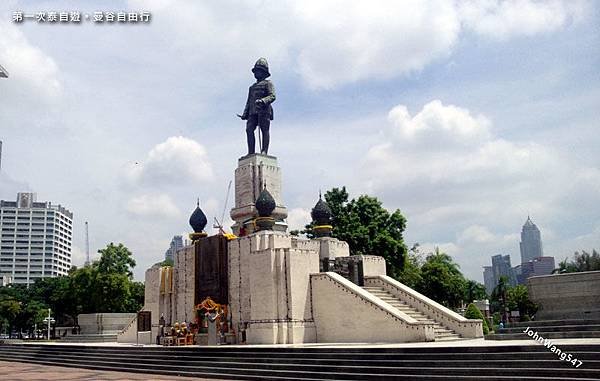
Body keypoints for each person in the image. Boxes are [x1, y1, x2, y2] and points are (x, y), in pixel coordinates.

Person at [238, 58, 276, 155]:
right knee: (249, 129)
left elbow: (272, 96)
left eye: (258, 71)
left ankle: (264, 151)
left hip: (264, 111)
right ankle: (251, 152)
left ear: (263, 72)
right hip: (252, 112)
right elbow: (249, 101)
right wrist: (245, 114)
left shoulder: (268, 83)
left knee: (264, 130)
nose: (256, 73)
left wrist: (263, 101)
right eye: (255, 71)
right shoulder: (252, 87)